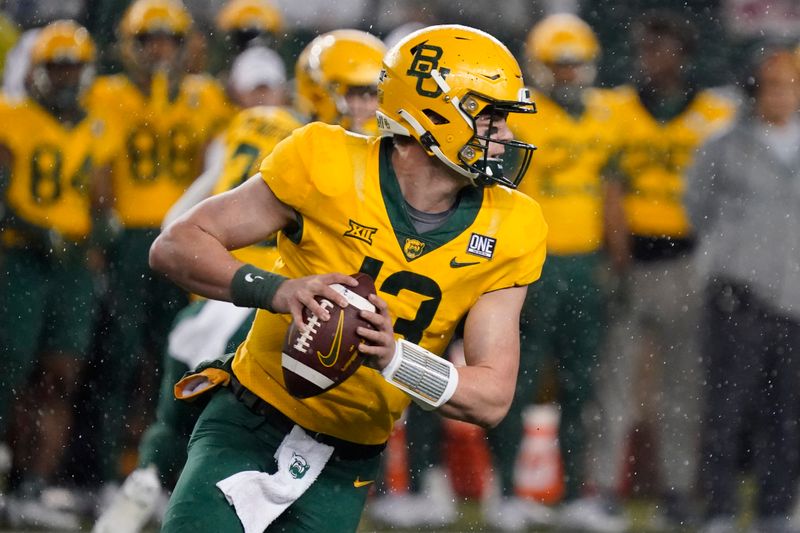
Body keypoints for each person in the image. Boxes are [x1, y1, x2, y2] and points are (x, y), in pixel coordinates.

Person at [149, 24, 547, 532]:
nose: (507, 136)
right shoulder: (325, 159)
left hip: (350, 462)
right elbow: (176, 245)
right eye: (492, 116)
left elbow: (492, 396)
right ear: (437, 111)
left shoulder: (515, 224)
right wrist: (278, 290)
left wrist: (395, 358)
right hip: (248, 419)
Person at [92, 46, 299, 533]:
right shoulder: (313, 143)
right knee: (244, 418)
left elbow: (179, 219)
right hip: (266, 295)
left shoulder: (233, 134)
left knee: (181, 404)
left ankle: (150, 480)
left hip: (214, 293)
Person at [588, 10, 736, 528]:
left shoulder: (714, 114)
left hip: (689, 261)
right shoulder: (620, 109)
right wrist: (618, 253)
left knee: (683, 385)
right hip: (633, 258)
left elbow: (727, 195)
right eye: (645, 49)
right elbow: (609, 188)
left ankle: (676, 486)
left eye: (660, 49)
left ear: (683, 53)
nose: (650, 59)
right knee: (615, 381)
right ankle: (604, 486)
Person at [484, 13, 628, 532]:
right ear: (541, 68)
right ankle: (504, 490)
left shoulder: (607, 116)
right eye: (558, 65)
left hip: (585, 264)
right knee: (518, 381)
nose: (567, 74)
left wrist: (619, 259)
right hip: (534, 265)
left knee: (581, 382)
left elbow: (612, 193)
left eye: (573, 64)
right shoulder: (522, 119)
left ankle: (573, 495)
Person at [86, 0, 230, 488]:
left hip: (185, 233)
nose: (161, 50)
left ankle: (167, 470)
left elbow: (212, 169)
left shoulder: (204, 96)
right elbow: (101, 171)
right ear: (132, 45)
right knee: (120, 357)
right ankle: (107, 471)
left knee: (180, 353)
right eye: (151, 40)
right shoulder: (111, 94)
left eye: (168, 39)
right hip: (132, 235)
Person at [0, 20, 117, 529]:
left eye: (74, 67)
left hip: (70, 268)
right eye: (57, 67)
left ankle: (33, 485)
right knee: (9, 373)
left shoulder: (97, 124)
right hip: (21, 262)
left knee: (59, 379)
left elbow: (103, 199)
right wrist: (34, 230)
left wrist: (99, 235)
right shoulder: (13, 118)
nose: (67, 78)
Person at [686, 44, 800, 533]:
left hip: (797, 298)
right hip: (740, 295)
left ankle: (775, 509)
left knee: (789, 414)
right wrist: (735, 257)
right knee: (727, 408)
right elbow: (697, 207)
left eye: (790, 83)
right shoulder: (724, 144)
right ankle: (719, 509)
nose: (782, 93)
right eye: (773, 83)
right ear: (754, 89)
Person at [293, 29, 386, 135]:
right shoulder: (294, 140)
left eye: (374, 93)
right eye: (356, 93)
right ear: (318, 93)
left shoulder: (392, 143)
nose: (368, 105)